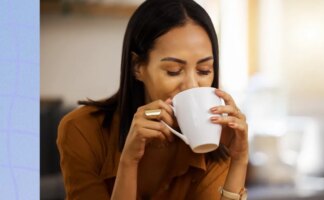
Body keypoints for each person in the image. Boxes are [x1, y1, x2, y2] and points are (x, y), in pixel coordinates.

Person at [57, 0, 249, 199]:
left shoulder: (215, 136)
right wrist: (128, 162)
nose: (192, 85)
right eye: (173, 71)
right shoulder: (81, 131)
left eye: (204, 70)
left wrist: (239, 159)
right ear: (137, 67)